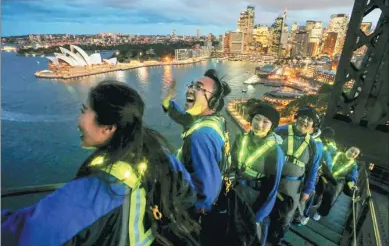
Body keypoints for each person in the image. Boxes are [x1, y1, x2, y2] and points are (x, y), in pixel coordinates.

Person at [2, 80, 200, 246]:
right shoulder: (160, 154)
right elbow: (188, 194)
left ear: (108, 128)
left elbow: (26, 232)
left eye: (84, 110)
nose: (78, 119)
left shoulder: (101, 188)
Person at [162, 69, 232, 245]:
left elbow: (206, 188)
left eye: (199, 87)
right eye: (192, 85)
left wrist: (194, 212)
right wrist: (168, 103)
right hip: (221, 192)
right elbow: (186, 119)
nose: (191, 89)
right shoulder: (216, 119)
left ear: (213, 101)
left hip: (197, 210)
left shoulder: (201, 136)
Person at [230, 101, 285, 246]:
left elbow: (272, 187)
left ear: (271, 126)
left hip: (256, 196)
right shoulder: (241, 138)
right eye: (257, 118)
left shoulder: (275, 152)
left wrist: (259, 215)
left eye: (265, 121)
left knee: (251, 233)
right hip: (236, 190)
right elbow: (233, 162)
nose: (259, 124)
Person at [268, 107, 322, 246]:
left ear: (313, 125)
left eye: (309, 120)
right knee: (265, 208)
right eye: (303, 116)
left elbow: (313, 169)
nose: (304, 120)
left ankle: (275, 240)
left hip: (292, 187)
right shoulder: (281, 131)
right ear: (297, 117)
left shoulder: (313, 145)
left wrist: (307, 190)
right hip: (271, 179)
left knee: (285, 216)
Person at [297, 127, 337, 225]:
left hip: (312, 172)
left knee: (309, 194)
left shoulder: (322, 145)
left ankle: (304, 215)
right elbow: (329, 164)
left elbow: (328, 162)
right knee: (310, 194)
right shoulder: (327, 146)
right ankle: (303, 215)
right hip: (314, 172)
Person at [311, 146, 360, 221]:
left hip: (337, 181)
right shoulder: (336, 153)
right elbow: (325, 152)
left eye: (355, 154)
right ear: (347, 149)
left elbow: (352, 176)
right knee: (316, 192)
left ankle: (319, 212)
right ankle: (312, 204)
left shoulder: (354, 165)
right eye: (352, 151)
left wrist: (351, 185)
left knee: (330, 198)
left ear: (356, 156)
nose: (353, 153)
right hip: (325, 175)